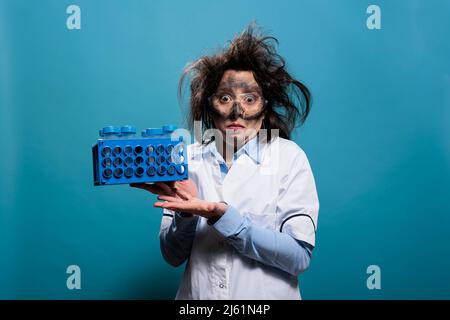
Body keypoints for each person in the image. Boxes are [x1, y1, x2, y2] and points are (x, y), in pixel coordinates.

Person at [131, 25, 319, 300]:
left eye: (250, 99)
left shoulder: (289, 158)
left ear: (264, 107)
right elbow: (172, 256)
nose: (237, 111)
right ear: (210, 105)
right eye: (225, 98)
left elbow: (299, 257)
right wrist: (185, 213)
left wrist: (223, 216)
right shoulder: (186, 160)